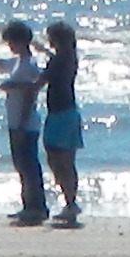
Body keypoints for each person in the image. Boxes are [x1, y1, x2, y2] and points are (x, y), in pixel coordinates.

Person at [0, 21, 46, 224]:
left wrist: (13, 85)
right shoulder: (17, 62)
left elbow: (33, 90)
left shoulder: (29, 64)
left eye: (11, 42)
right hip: (15, 121)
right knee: (21, 165)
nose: (9, 46)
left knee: (28, 165)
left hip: (25, 122)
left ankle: (37, 207)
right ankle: (28, 205)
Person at [39, 21, 82, 224]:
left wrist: (16, 86)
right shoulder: (69, 57)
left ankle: (70, 202)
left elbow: (41, 81)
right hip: (69, 112)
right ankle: (71, 203)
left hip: (59, 113)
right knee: (67, 161)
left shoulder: (58, 61)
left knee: (57, 159)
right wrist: (46, 53)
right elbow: (56, 63)